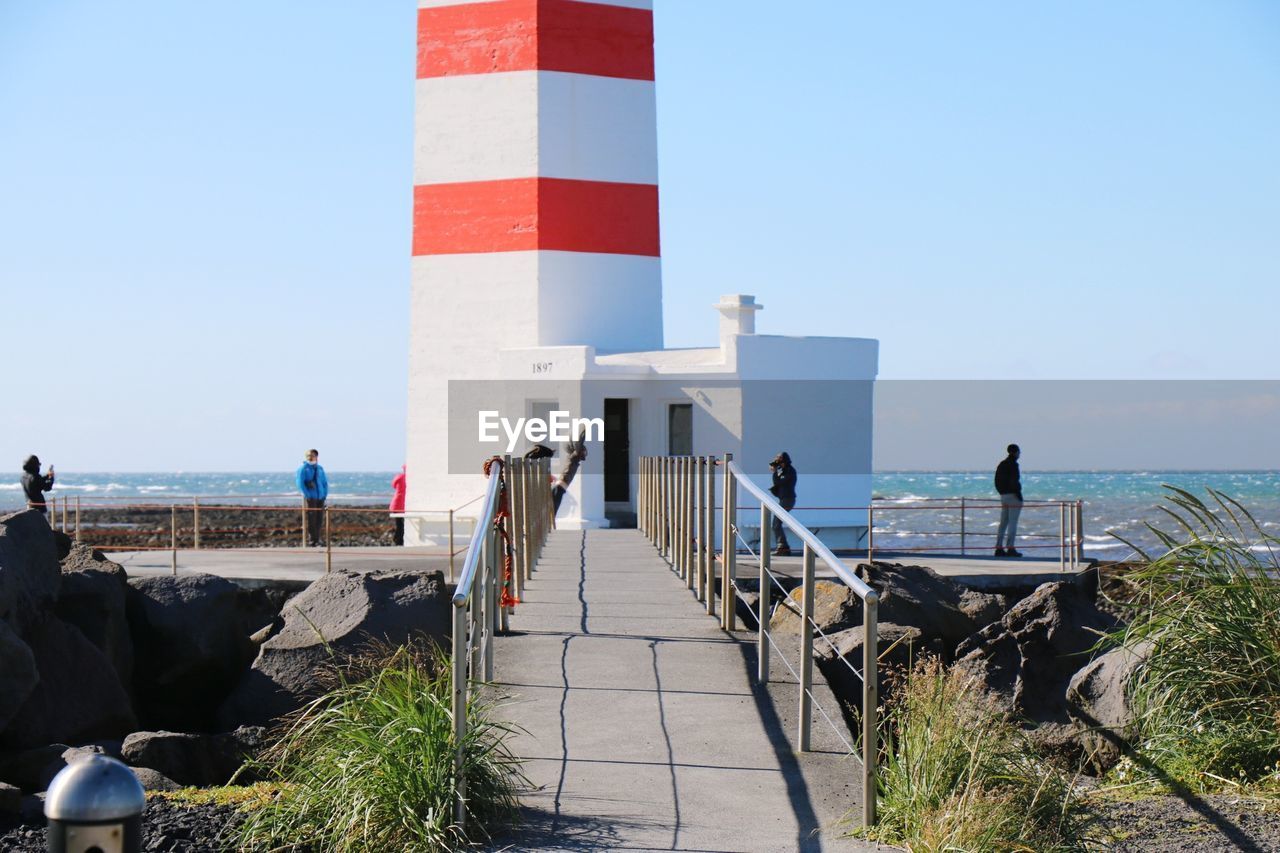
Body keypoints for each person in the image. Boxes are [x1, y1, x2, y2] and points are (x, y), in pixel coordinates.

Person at [994, 444, 1023, 557]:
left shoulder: (1002, 464)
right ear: (1015, 452)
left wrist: (1001, 492)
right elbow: (1014, 481)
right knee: (1012, 523)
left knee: (1003, 523)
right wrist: (1018, 494)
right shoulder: (1013, 465)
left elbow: (996, 480)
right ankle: (1010, 547)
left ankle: (999, 547)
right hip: (1013, 496)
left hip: (1004, 495)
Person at [296, 449, 329, 546]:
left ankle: (317, 538)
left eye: (314, 455)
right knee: (311, 518)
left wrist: (324, 494)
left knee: (319, 518)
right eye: (310, 455)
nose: (312, 457)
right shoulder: (303, 468)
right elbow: (300, 483)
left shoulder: (320, 468)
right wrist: (307, 495)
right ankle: (312, 540)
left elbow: (324, 482)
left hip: (320, 496)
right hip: (311, 497)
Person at [768, 452, 797, 556]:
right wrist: (776, 471)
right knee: (776, 523)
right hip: (784, 499)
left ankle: (782, 547)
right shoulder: (783, 470)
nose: (777, 461)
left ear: (784, 460)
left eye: (779, 459)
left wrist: (775, 472)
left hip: (788, 500)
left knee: (776, 523)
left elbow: (779, 483)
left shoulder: (790, 471)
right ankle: (783, 547)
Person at [390, 465, 407, 546]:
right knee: (401, 524)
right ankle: (399, 540)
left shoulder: (399, 477)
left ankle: (398, 540)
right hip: (404, 504)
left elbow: (393, 485)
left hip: (397, 503)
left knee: (399, 523)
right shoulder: (410, 479)